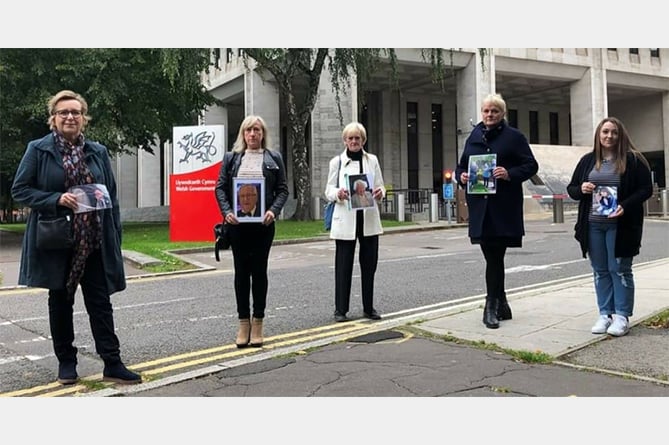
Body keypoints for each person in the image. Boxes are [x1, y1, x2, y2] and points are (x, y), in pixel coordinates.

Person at [11, 89, 141, 385]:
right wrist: (57, 198)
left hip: (93, 239)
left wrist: (115, 236)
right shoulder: (38, 149)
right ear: (53, 119)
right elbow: (20, 190)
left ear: (84, 118)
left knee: (100, 303)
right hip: (58, 240)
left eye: (76, 112)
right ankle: (67, 364)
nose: (70, 117)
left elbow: (112, 196)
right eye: (63, 112)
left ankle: (112, 362)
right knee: (60, 302)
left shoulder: (98, 151)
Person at [455, 93, 538, 329]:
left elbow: (531, 165)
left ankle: (491, 306)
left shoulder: (514, 137)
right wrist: (461, 175)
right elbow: (462, 164)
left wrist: (508, 173)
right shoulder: (474, 135)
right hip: (480, 206)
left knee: (494, 256)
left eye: (494, 111)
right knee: (491, 255)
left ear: (502, 114)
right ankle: (501, 303)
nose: (489, 115)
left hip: (502, 206)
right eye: (486, 111)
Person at [567, 117, 652, 337]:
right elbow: (572, 189)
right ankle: (605, 313)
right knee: (600, 270)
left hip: (621, 226)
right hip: (593, 224)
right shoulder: (587, 160)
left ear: (620, 135)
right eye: (605, 132)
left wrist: (625, 205)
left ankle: (622, 316)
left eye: (614, 132)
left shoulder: (634, 160)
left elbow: (646, 190)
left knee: (619, 269)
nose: (609, 136)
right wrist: (582, 188)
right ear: (598, 135)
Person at [215, 115, 288, 348]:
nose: (253, 134)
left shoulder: (273, 158)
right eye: (248, 130)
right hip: (237, 227)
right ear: (243, 134)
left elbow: (282, 190)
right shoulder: (232, 158)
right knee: (240, 274)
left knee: (259, 273)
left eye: (257, 130)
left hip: (263, 226)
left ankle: (258, 323)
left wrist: (273, 211)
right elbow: (220, 188)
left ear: (263, 133)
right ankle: (243, 323)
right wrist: (226, 211)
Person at [324, 122, 386, 322]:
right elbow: (328, 191)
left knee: (369, 266)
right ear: (345, 141)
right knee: (343, 267)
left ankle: (369, 307)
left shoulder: (372, 160)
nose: (353, 141)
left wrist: (380, 193)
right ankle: (340, 310)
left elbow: (380, 187)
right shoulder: (337, 163)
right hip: (345, 220)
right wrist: (338, 194)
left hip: (368, 219)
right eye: (350, 138)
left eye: (357, 138)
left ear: (363, 140)